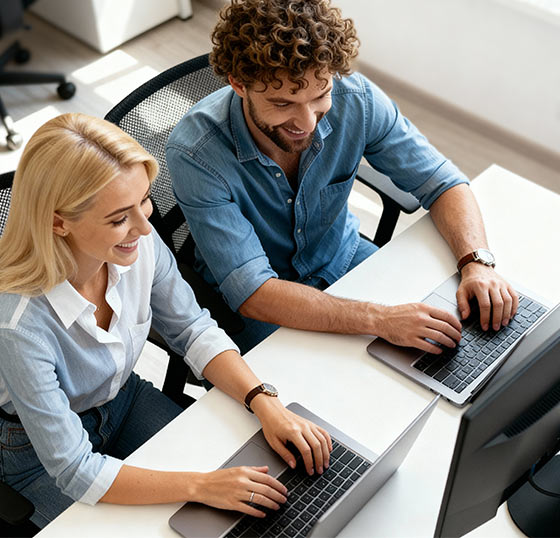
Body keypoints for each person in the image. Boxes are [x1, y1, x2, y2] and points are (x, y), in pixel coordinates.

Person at [0, 113, 331, 529]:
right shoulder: (18, 325)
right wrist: (201, 486)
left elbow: (192, 329)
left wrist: (265, 403)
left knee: (251, 493)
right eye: (119, 217)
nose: (144, 226)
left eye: (144, 200)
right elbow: (75, 470)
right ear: (57, 221)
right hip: (34, 454)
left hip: (123, 399)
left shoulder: (136, 242)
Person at [167, 0, 519, 355]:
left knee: (449, 346)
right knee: (310, 398)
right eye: (283, 104)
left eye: (320, 95)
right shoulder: (195, 152)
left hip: (340, 256)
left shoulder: (358, 99)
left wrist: (476, 262)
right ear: (239, 84)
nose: (306, 124)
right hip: (259, 299)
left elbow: (442, 182)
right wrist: (378, 319)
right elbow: (253, 292)